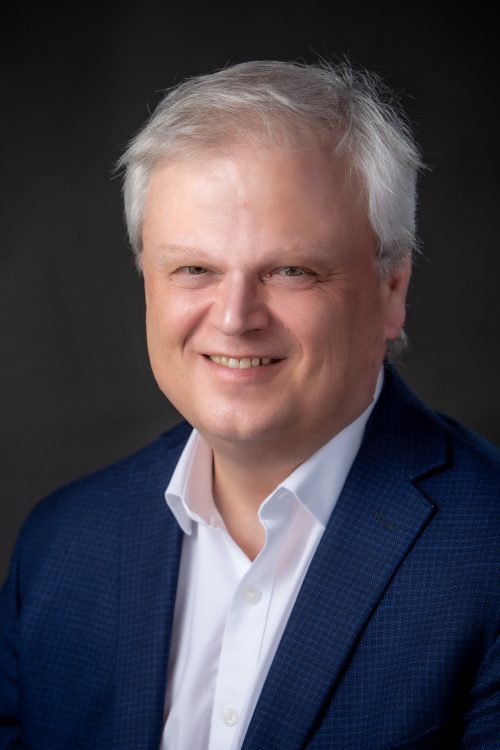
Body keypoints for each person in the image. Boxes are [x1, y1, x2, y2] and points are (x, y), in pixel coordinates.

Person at [0, 60, 498, 750]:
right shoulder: (61, 547)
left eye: (291, 270)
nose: (235, 318)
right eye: (194, 269)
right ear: (147, 279)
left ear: (392, 289)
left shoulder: (488, 551)